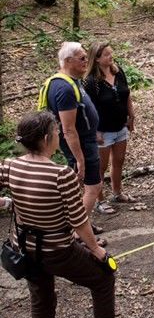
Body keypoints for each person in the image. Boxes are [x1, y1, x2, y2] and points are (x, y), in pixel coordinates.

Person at [0, 111, 119, 318]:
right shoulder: (60, 174)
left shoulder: (10, 166)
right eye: (56, 132)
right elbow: (79, 221)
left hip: (24, 249)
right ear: (46, 139)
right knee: (103, 279)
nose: (59, 136)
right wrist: (96, 250)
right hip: (58, 251)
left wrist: (6, 202)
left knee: (41, 296)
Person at [44, 42, 105, 246]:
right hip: (80, 146)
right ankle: (78, 234)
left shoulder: (72, 81)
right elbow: (68, 128)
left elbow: (81, 115)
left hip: (86, 140)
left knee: (85, 187)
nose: (86, 61)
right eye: (81, 58)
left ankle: (83, 224)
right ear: (68, 61)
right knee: (93, 187)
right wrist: (79, 159)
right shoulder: (63, 88)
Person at [84, 42, 137, 214]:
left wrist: (131, 116)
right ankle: (100, 201)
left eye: (110, 52)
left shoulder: (118, 71)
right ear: (97, 58)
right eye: (106, 54)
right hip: (103, 130)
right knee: (101, 167)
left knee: (119, 161)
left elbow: (126, 95)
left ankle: (117, 192)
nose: (110, 56)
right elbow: (88, 109)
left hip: (120, 126)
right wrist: (95, 131)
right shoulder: (92, 82)